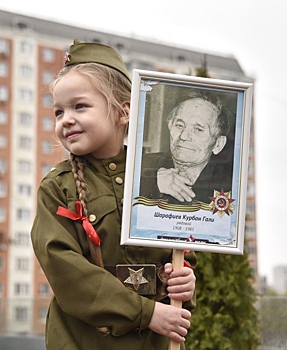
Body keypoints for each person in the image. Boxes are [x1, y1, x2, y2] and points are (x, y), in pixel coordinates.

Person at [30, 39, 197, 350]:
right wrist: (145, 313)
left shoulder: (160, 179)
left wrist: (185, 281)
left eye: (80, 106)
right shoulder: (56, 188)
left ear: (123, 112)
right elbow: (67, 272)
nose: (65, 119)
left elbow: (182, 250)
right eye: (58, 111)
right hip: (85, 342)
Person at [139, 90, 234, 205]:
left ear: (218, 144)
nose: (183, 136)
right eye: (179, 125)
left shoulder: (231, 185)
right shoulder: (140, 166)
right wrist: (152, 184)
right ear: (170, 126)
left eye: (198, 129)